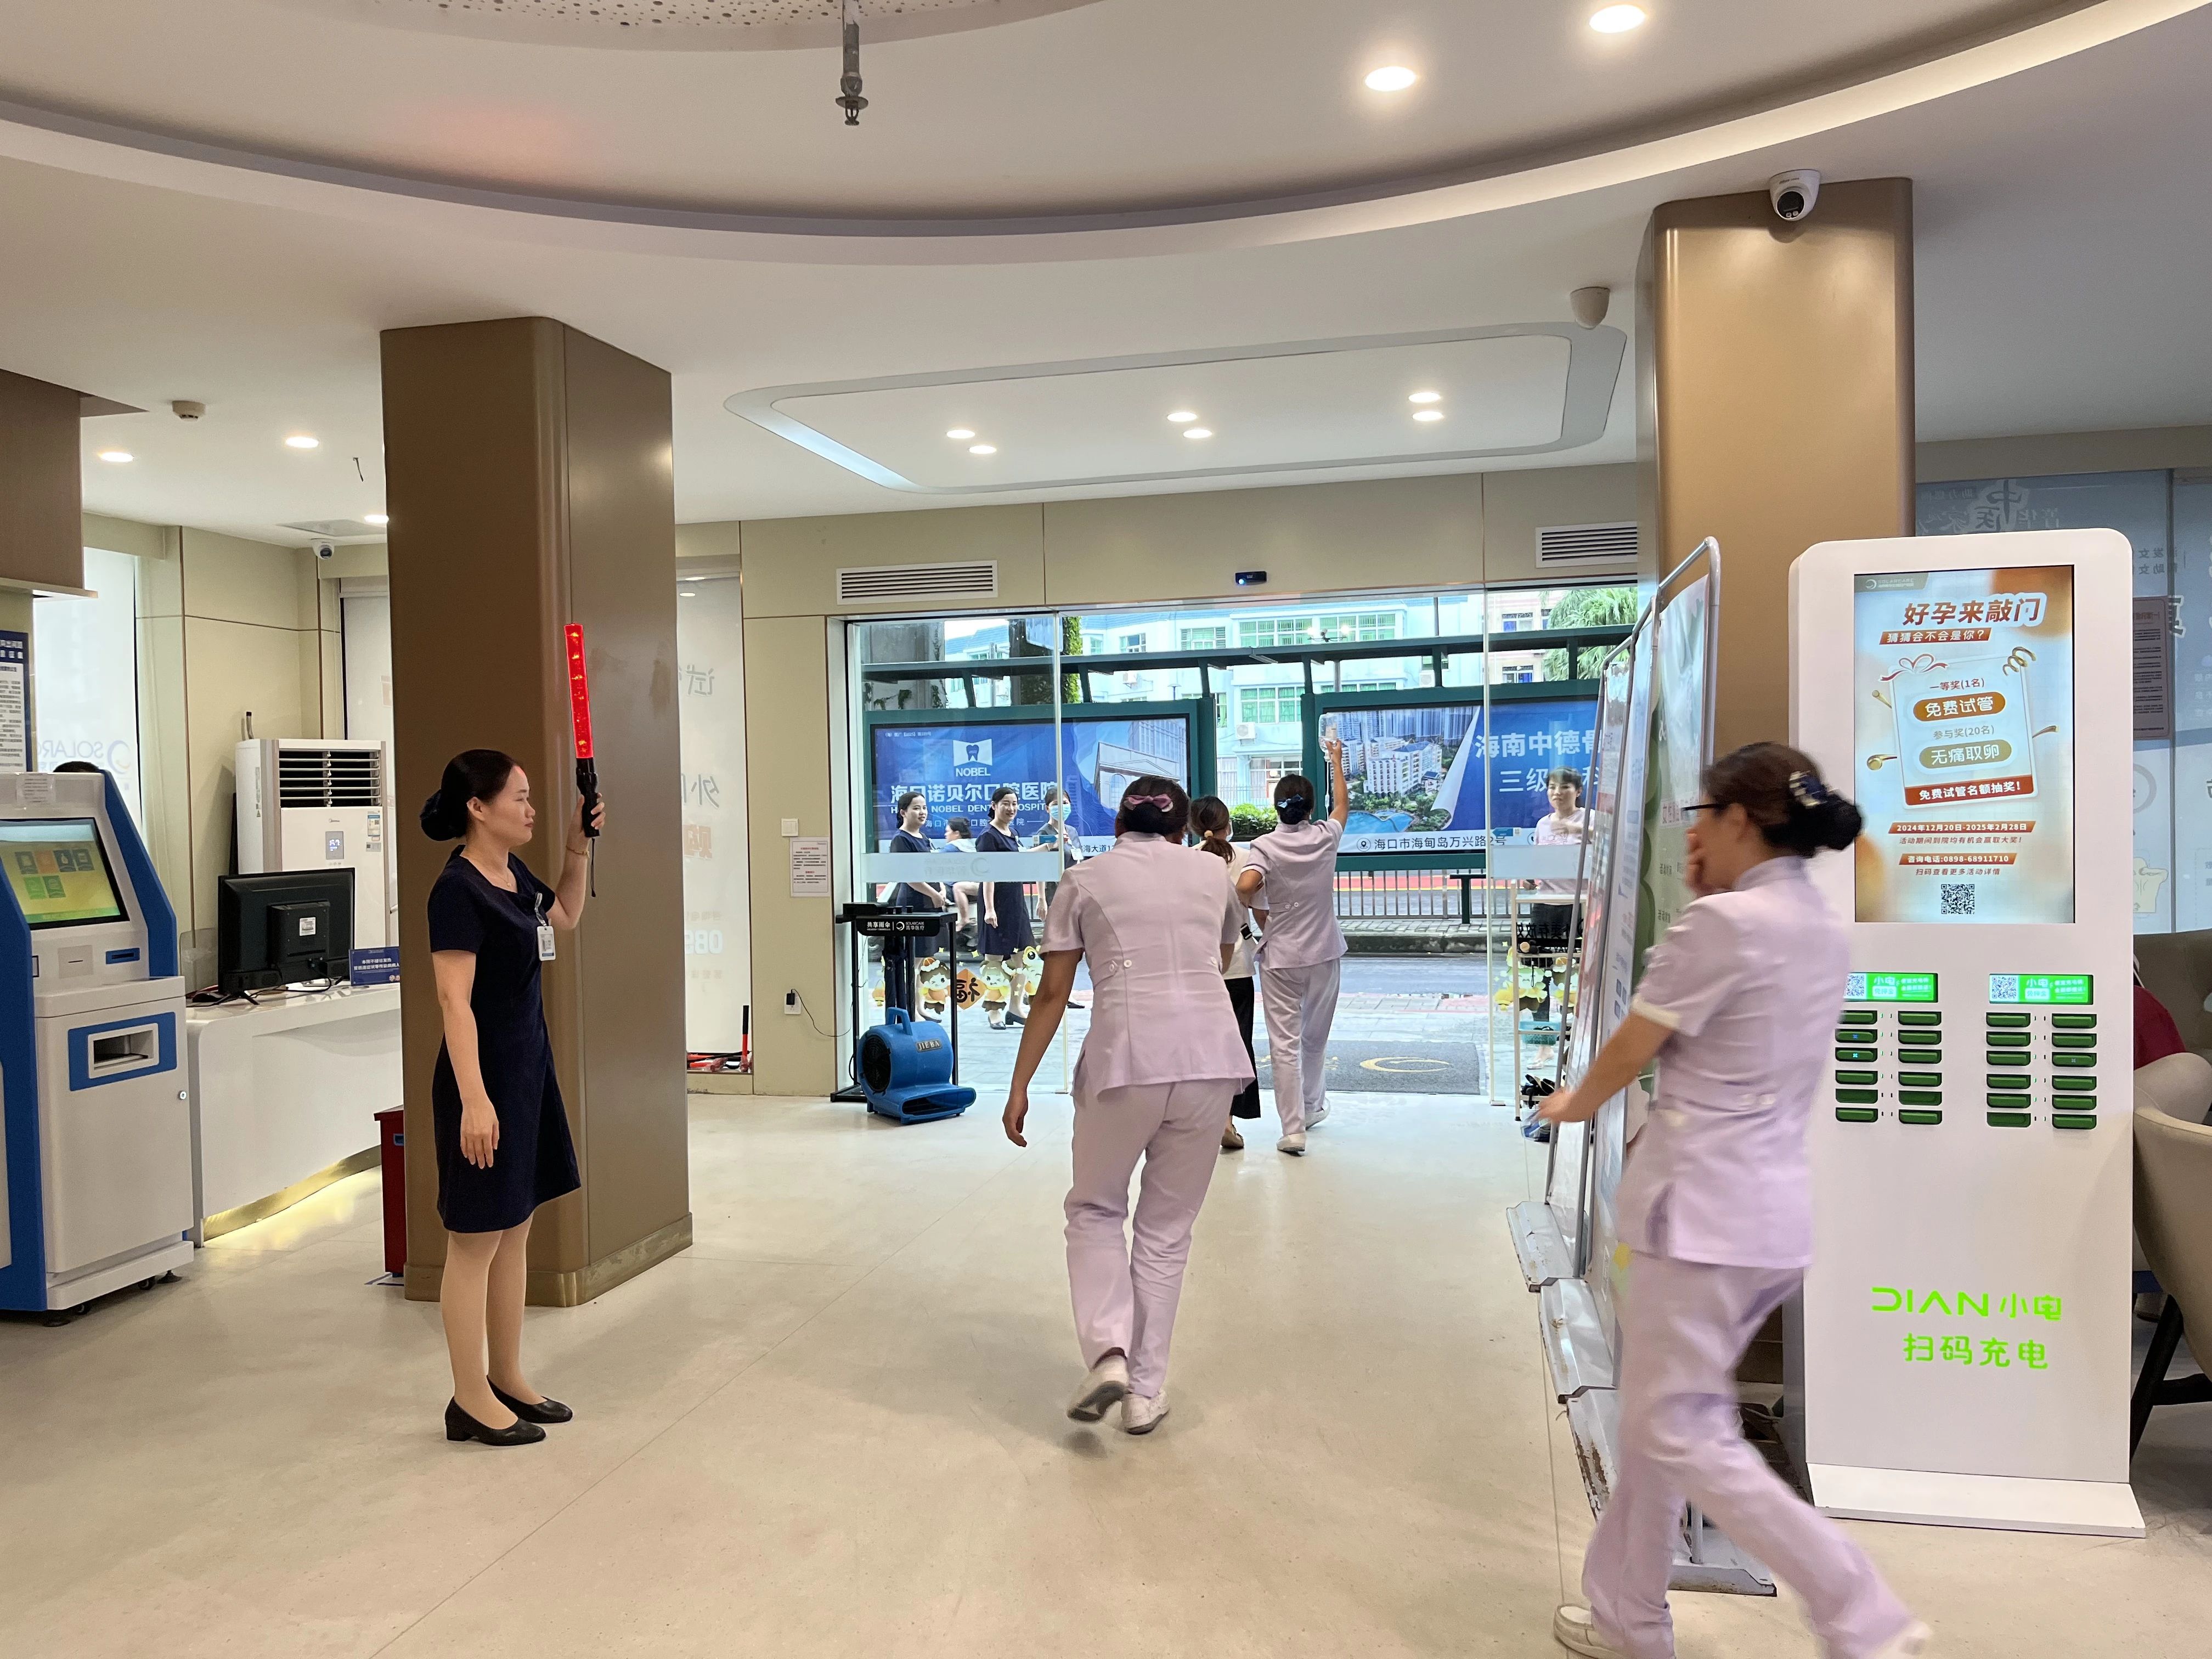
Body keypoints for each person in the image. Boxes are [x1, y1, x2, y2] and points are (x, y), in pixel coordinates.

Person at [1538, 743, 1927, 1659]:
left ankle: (1858, 1606)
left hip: (1699, 1216)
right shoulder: (1819, 922)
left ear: (1740, 819)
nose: (1693, 837)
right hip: (1766, 1215)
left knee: (1675, 1426)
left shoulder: (1725, 924)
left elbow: (1634, 1043)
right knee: (1659, 1422)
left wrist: (1572, 1102)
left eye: (1701, 817)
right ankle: (1629, 1613)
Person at [1002, 775, 1249, 1436]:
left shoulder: (1083, 879)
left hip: (1125, 1064)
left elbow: (1053, 992)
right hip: (1210, 1060)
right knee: (1166, 1233)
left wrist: (1020, 1083)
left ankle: (1109, 1351)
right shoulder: (1213, 873)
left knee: (1095, 1209)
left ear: (1117, 824)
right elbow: (1220, 956)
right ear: (1182, 828)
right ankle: (1145, 1393)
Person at [421, 749, 602, 1448]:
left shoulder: (512, 875)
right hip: (484, 1083)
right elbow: (453, 1001)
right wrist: (474, 1099)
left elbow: (566, 916)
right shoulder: (457, 890)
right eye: (519, 798)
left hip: (527, 1074)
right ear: (478, 807)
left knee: (516, 1229)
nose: (531, 809)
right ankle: (468, 1398)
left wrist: (576, 848)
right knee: (475, 1241)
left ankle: (507, 1375)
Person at [1235, 736, 1350, 1155]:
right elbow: (1342, 806)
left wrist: (1265, 913)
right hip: (1324, 952)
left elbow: (1245, 886)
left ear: (1276, 808)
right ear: (1310, 808)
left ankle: (1293, 1130)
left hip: (1281, 957)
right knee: (1314, 1039)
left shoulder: (1265, 846)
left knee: (1283, 1045)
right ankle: (1312, 1106)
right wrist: (1336, 761)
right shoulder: (1325, 836)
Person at [1192, 794, 1264, 1149]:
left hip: (1196, 965)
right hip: (1236, 965)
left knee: (1199, 1044)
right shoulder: (1248, 859)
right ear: (1229, 825)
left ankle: (1201, 1119)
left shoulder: (1186, 861)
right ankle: (1227, 1120)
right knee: (1237, 1041)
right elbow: (1259, 907)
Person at [879, 789, 946, 1017]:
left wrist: (941, 888)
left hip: (930, 903)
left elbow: (933, 868)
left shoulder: (924, 838)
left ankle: (918, 1007)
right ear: (903, 812)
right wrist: (934, 894)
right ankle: (910, 1011)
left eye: (924, 808)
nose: (922, 812)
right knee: (911, 962)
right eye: (916, 808)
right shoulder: (901, 839)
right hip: (914, 904)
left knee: (919, 962)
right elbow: (909, 876)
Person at [976, 785, 1035, 1030]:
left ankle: (1015, 1007)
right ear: (994, 806)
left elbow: (1020, 860)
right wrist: (990, 909)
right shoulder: (988, 836)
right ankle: (994, 1012)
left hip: (1015, 902)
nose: (1011, 808)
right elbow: (987, 875)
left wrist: (1047, 847)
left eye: (1014, 804)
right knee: (994, 960)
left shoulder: (1013, 833)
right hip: (996, 903)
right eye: (1006, 804)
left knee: (1021, 958)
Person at [942, 815, 979, 950]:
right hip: (980, 884)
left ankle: (964, 919)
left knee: (957, 887)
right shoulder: (971, 844)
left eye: (948, 832)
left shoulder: (953, 847)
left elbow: (933, 859)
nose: (945, 835)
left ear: (957, 833)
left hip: (978, 886)